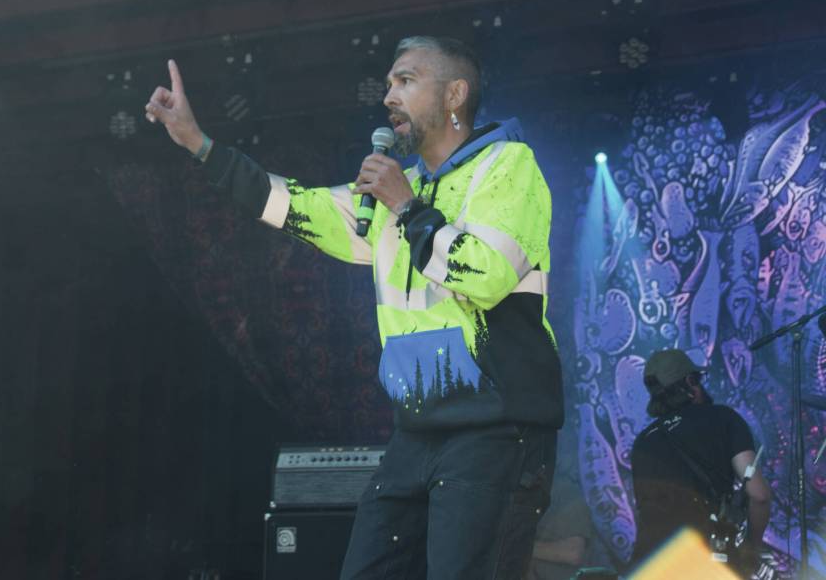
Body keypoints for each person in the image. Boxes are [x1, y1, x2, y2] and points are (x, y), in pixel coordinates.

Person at [146, 36, 563, 579]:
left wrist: (407, 207)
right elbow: (291, 203)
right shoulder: (398, 190)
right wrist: (201, 144)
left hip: (497, 429)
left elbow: (485, 276)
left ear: (455, 93)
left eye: (406, 81)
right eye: (389, 83)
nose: (389, 96)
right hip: (418, 431)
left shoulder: (507, 167)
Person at [629, 348, 772, 575]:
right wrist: (752, 546)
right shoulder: (723, 418)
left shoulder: (642, 443)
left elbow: (645, 511)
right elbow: (759, 494)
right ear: (690, 381)